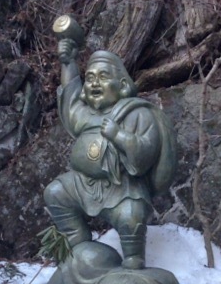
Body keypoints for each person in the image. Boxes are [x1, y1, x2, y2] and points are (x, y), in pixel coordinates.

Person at [44, 37, 176, 270]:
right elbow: (70, 101)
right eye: (90, 78)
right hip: (83, 183)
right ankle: (77, 241)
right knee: (55, 192)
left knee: (131, 215)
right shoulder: (85, 115)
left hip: (123, 187)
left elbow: (146, 152)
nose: (95, 83)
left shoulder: (137, 113)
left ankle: (133, 259)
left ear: (122, 85)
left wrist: (119, 135)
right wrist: (68, 63)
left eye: (103, 77)